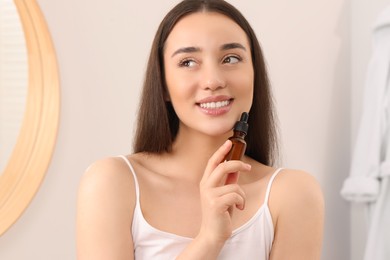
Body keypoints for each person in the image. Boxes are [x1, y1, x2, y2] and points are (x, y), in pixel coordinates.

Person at [76, 0, 324, 259]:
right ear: (162, 84)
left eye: (231, 58)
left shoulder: (293, 194)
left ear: (255, 73)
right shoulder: (112, 184)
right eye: (188, 62)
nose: (213, 81)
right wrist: (209, 239)